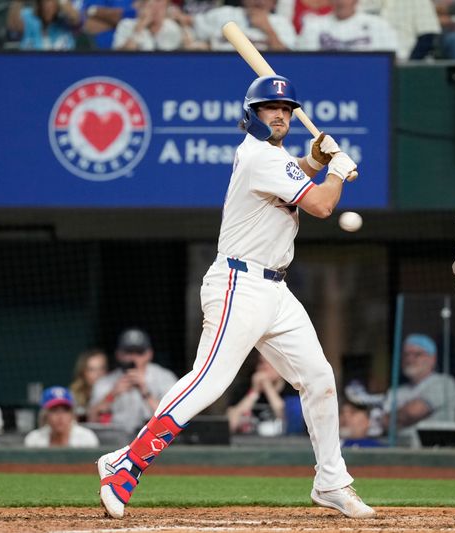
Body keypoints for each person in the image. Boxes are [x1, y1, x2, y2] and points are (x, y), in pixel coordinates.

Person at [96, 75, 374, 520]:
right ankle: (126, 462)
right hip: (238, 283)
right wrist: (337, 167)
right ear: (252, 114)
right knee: (209, 380)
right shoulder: (257, 154)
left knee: (319, 378)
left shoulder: (276, 159)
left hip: (276, 290)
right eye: (269, 108)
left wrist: (313, 160)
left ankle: (331, 481)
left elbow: (290, 183)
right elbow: (321, 206)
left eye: (285, 108)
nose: (280, 114)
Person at [87, 328, 178, 435]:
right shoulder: (106, 382)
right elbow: (91, 419)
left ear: (149, 354)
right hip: (116, 438)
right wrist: (112, 394)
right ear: (118, 354)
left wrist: (146, 393)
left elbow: (174, 419)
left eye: (139, 352)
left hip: (153, 437)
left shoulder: (164, 378)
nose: (133, 358)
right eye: (128, 352)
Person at [384, 333, 455, 448]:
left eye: (417, 354)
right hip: (400, 454)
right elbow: (384, 422)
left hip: (435, 454)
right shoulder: (395, 391)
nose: (410, 359)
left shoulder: (444, 383)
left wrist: (396, 417)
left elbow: (413, 412)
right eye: (406, 354)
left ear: (432, 358)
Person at [226, 353, 304, 436]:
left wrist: (268, 387)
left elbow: (289, 420)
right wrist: (254, 392)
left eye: (271, 362)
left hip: (283, 444)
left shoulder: (294, 389)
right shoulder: (243, 389)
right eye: (261, 362)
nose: (265, 367)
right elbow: (230, 424)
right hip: (247, 444)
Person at [189, 0, 297, 51]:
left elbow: (289, 59)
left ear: (274, 2)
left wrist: (269, 31)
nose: (259, 2)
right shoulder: (224, 13)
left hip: (259, 78)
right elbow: (190, 23)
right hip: (221, 70)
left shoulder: (281, 22)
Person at [297, 0, 398, 51]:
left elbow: (391, 60)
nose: (341, 2)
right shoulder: (314, 26)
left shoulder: (378, 25)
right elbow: (305, 62)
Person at [24, 386, 100, 448]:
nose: (60, 416)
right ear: (45, 415)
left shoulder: (86, 438)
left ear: (72, 414)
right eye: (54, 410)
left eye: (65, 410)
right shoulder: (34, 440)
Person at [7, 0, 79, 50]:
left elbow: (75, 19)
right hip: (31, 67)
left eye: (52, 2)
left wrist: (63, 2)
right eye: (45, 1)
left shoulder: (65, 20)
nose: (48, 7)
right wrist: (18, 1)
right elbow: (13, 27)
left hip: (63, 67)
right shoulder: (28, 16)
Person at [113, 0, 184, 50]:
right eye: (151, 6)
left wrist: (184, 26)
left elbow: (190, 50)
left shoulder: (172, 27)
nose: (156, 10)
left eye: (161, 7)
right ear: (142, 7)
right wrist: (139, 29)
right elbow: (120, 58)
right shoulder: (127, 25)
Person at [69, 348, 108, 422]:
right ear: (83, 372)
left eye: (102, 368)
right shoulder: (74, 394)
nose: (98, 374)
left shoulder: (114, 391)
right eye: (92, 369)